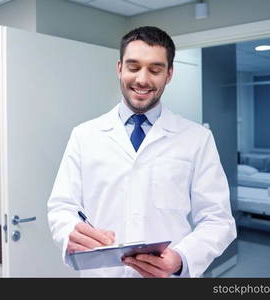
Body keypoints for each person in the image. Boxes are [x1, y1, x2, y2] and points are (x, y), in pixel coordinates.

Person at [47, 26, 236, 278]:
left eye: (155, 69)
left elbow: (218, 220)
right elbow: (62, 206)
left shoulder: (197, 139)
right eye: (133, 67)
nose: (142, 80)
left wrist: (181, 258)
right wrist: (70, 231)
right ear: (119, 68)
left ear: (169, 74)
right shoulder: (84, 135)